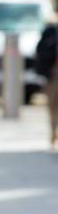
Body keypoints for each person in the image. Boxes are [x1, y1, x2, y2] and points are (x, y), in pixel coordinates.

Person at [35, 13, 58, 149]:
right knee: (53, 104)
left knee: (53, 105)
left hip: (51, 75)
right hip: (53, 74)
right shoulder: (49, 35)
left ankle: (54, 130)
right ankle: (53, 131)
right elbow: (41, 54)